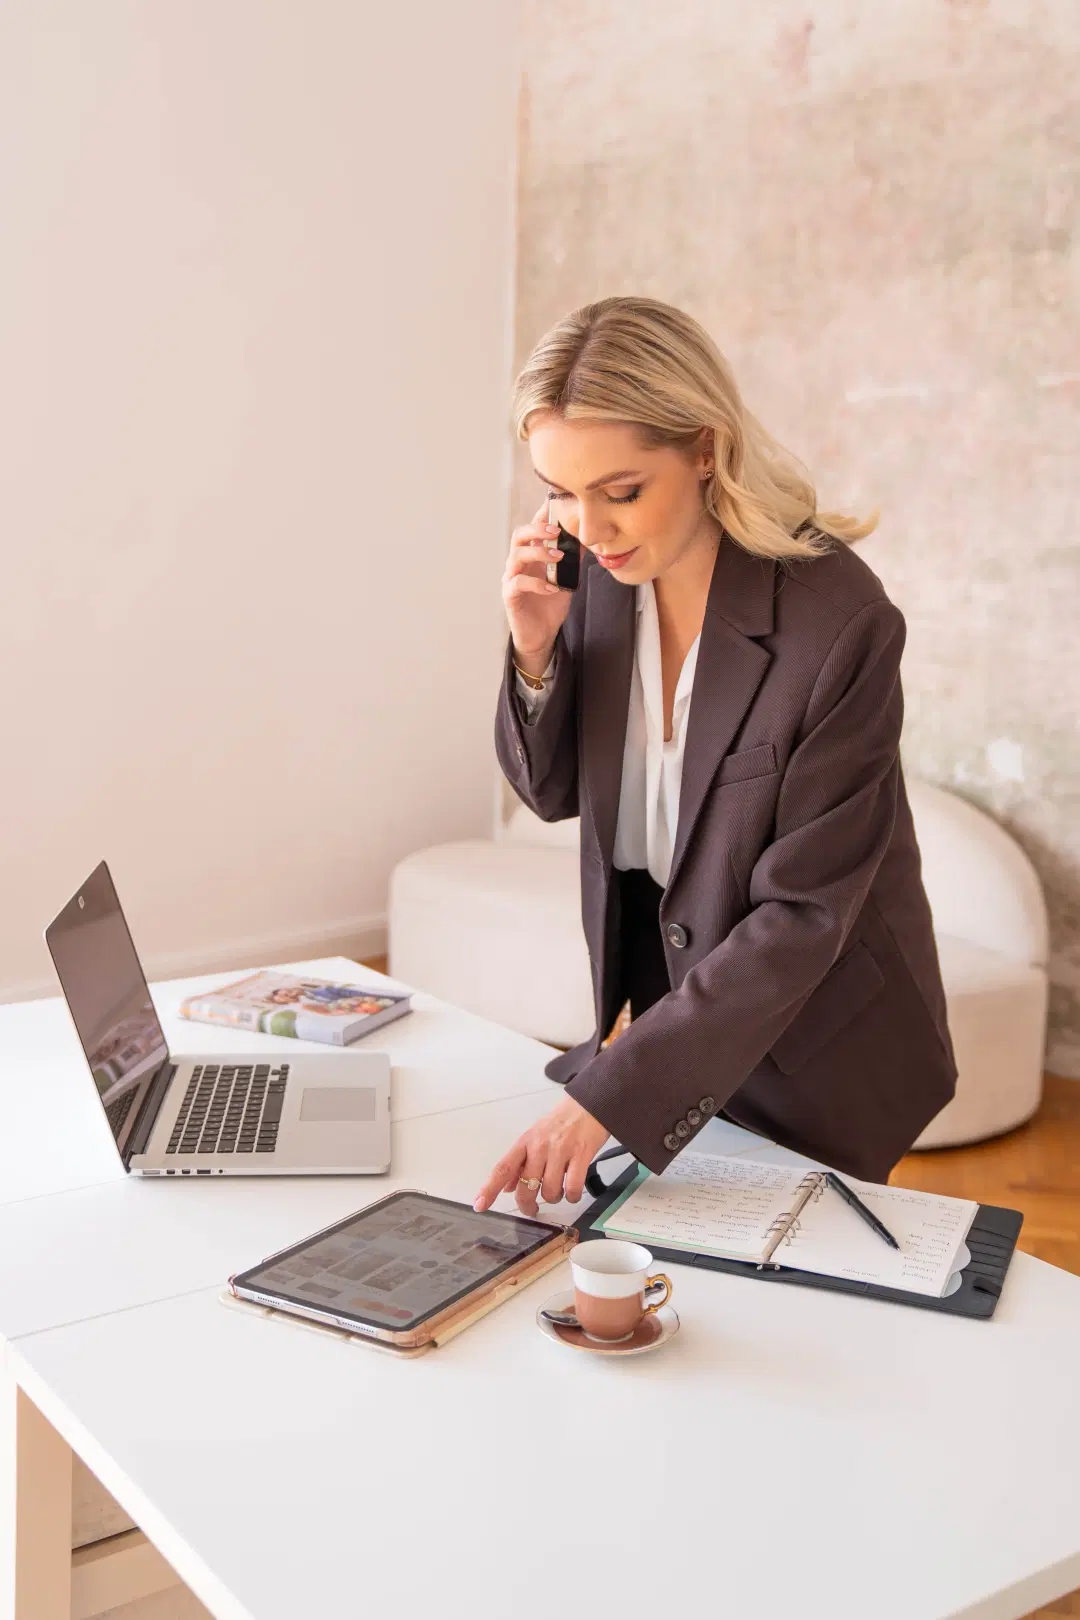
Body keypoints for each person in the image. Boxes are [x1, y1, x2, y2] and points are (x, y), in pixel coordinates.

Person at [473, 296, 956, 1219]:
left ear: (705, 448)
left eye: (620, 491)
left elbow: (804, 915)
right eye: (559, 491)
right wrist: (536, 654)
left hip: (815, 1041)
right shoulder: (597, 574)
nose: (590, 527)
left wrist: (609, 1094)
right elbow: (552, 793)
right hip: (678, 1014)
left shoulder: (840, 625)